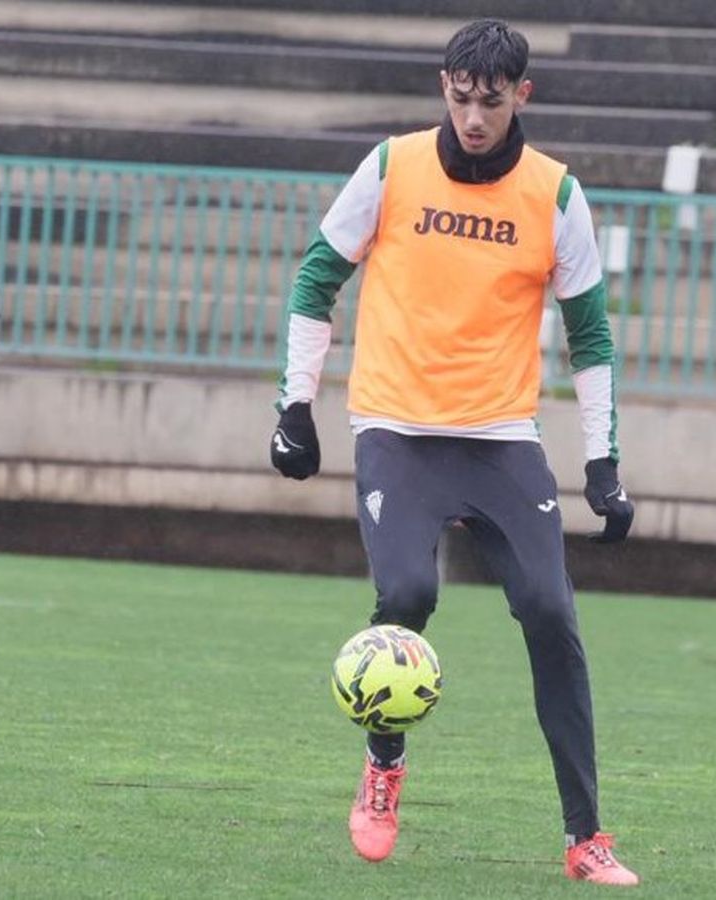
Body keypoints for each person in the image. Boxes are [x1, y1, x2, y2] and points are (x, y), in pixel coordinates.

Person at [267, 19, 640, 886]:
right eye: (462, 98)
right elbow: (317, 278)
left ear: (522, 96)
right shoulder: (393, 166)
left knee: (551, 612)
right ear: (445, 87)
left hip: (502, 439)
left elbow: (590, 337)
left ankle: (586, 838)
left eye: (493, 101)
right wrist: (294, 405)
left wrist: (603, 462)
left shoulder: (555, 195)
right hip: (397, 429)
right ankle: (384, 763)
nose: (475, 118)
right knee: (406, 592)